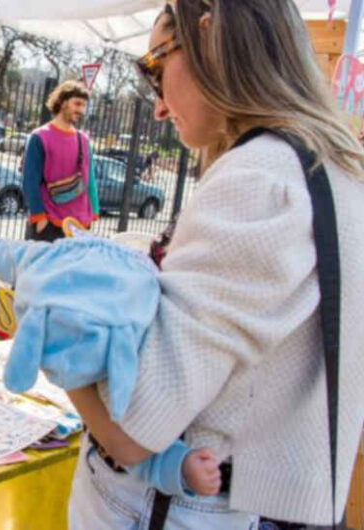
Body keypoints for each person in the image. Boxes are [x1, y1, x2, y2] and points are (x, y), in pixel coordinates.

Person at [65, 0, 364, 528]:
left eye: (154, 66)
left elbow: (136, 423)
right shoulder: (336, 169)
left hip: (180, 505)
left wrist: (59, 326)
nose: (157, 106)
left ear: (210, 37)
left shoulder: (259, 176)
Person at [0, 236, 222, 498]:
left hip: (132, 480)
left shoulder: (153, 320)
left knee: (128, 422)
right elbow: (6, 254)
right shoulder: (143, 302)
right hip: (105, 478)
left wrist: (177, 466)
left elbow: (128, 443)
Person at [22, 80, 100, 242]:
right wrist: (39, 217)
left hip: (79, 226)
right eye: (77, 104)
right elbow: (30, 180)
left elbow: (89, 178)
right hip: (48, 223)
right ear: (63, 102)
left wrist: (94, 212)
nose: (81, 110)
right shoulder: (39, 137)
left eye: (84, 106)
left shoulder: (84, 140)